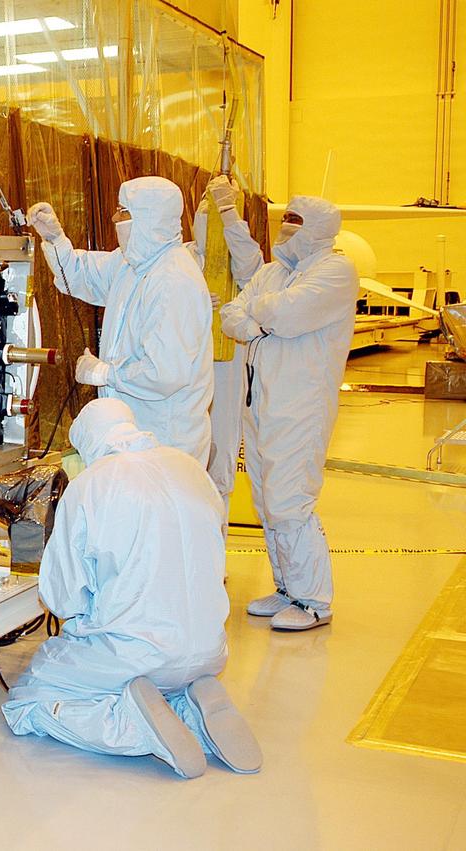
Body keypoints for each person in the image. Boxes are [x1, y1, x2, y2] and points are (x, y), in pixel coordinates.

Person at [1, 398, 261, 779]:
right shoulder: (189, 468)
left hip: (135, 653)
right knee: (154, 677)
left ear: (88, 443)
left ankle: (134, 728)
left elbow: (63, 598)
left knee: (28, 699)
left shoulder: (93, 484)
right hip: (210, 648)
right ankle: (189, 706)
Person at [220, 196, 358, 631]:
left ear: (319, 227)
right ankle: (287, 589)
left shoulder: (336, 270)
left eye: (297, 222)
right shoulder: (276, 271)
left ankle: (314, 600)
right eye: (286, 220)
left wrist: (260, 313)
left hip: (302, 404)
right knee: (265, 498)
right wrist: (262, 315)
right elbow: (230, 315)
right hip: (261, 401)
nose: (287, 227)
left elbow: (289, 313)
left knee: (290, 499)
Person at [28, 177, 214, 465]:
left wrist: (105, 374)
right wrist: (55, 239)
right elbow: (81, 274)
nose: (115, 220)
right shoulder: (131, 264)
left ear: (149, 218)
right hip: (132, 437)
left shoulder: (174, 281)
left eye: (123, 213)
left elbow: (164, 373)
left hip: (165, 441)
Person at [187, 175, 265, 511]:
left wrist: (229, 212)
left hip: (227, 367)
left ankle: (215, 545)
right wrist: (194, 300)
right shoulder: (186, 257)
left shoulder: (244, 269)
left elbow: (251, 263)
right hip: (188, 366)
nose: (210, 216)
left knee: (220, 455)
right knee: (188, 454)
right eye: (205, 205)